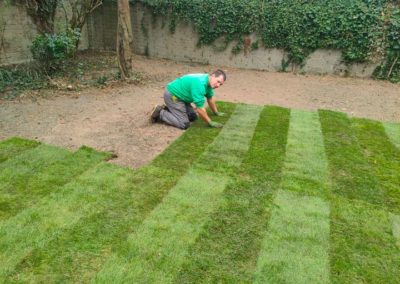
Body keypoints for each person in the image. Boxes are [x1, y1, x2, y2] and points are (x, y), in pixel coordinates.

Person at [150, 69, 227, 129]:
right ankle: (160, 113)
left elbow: (210, 98)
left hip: (183, 98)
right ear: (213, 76)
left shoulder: (209, 82)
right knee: (184, 124)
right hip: (173, 96)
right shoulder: (200, 83)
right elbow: (200, 108)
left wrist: (216, 112)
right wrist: (210, 122)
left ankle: (170, 109)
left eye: (221, 84)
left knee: (193, 117)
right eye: (218, 81)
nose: (218, 85)